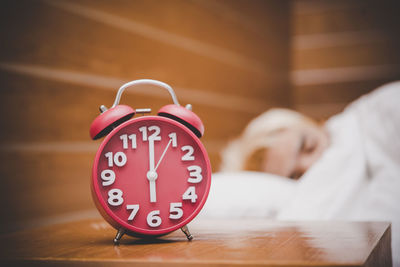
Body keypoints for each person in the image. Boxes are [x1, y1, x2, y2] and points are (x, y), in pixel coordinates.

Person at [208, 81, 400, 266]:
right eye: (295, 176)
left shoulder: (373, 116)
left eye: (308, 146)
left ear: (311, 123)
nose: (312, 165)